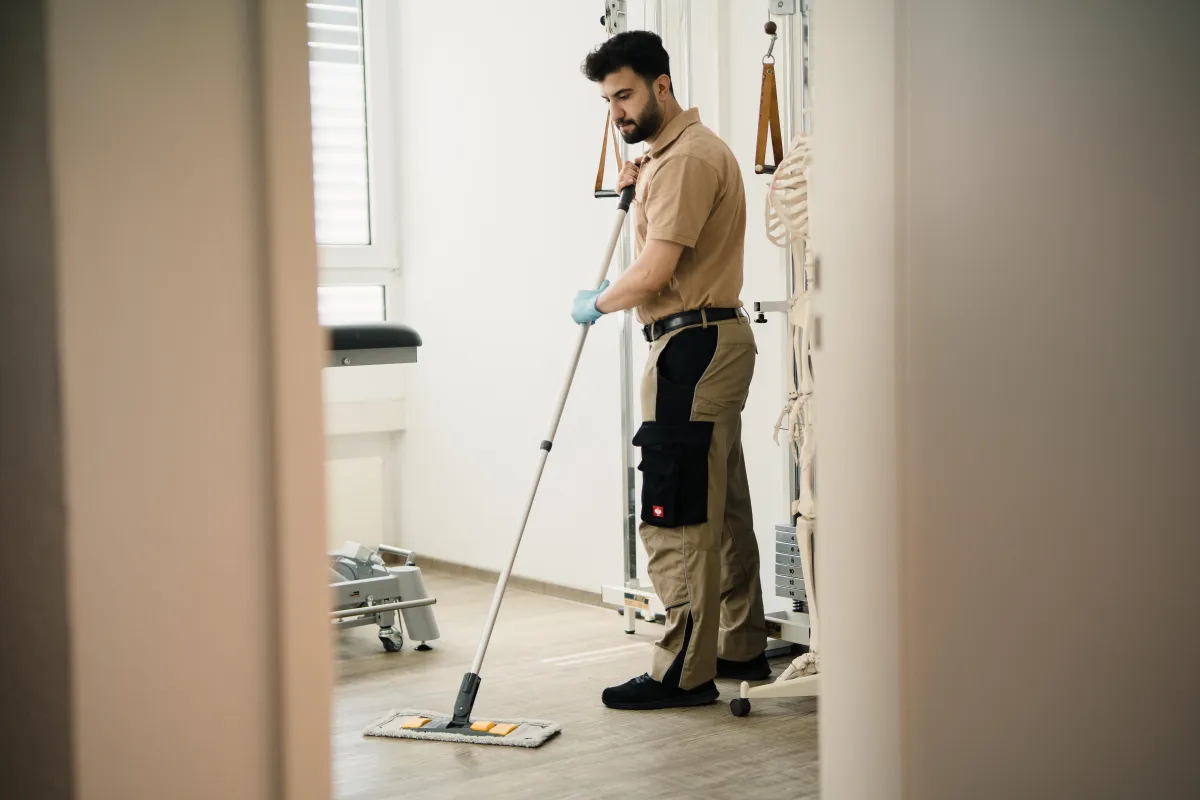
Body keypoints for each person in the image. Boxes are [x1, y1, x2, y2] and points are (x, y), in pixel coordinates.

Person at [574, 31, 769, 711]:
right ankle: (738, 645)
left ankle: (680, 673)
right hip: (709, 339)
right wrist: (641, 180)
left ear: (662, 85)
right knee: (721, 503)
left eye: (625, 95)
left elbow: (656, 272)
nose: (617, 113)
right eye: (608, 101)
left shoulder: (684, 160)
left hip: (691, 346)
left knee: (677, 509)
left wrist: (597, 301)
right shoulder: (675, 156)